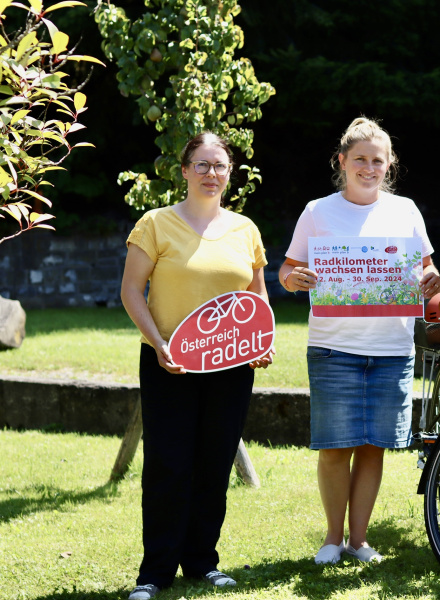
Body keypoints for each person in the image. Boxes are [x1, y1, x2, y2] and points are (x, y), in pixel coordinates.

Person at [279, 117, 440, 565]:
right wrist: (295, 279)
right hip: (334, 348)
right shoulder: (317, 211)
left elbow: (427, 269)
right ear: (342, 162)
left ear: (389, 165)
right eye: (360, 160)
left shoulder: (405, 210)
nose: (369, 168)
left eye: (378, 160)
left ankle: (359, 539)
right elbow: (287, 270)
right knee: (335, 448)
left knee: (373, 447)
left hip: (392, 350)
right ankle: (332, 538)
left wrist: (430, 278)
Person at [120, 132, 274, 600]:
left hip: (232, 366)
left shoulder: (245, 229)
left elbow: (257, 293)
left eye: (220, 166)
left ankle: (202, 563)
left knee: (214, 463)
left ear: (230, 174)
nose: (212, 174)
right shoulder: (155, 224)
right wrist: (158, 342)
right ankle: (155, 573)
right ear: (184, 170)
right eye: (202, 165)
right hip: (170, 363)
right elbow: (131, 291)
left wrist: (261, 339)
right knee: (168, 465)